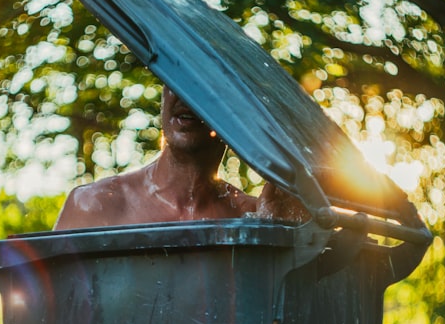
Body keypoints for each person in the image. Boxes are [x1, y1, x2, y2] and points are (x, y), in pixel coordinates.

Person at [54, 86, 309, 230]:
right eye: (175, 79)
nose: (187, 95)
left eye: (206, 86)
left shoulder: (254, 218)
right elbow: (51, 318)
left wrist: (277, 233)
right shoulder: (95, 204)